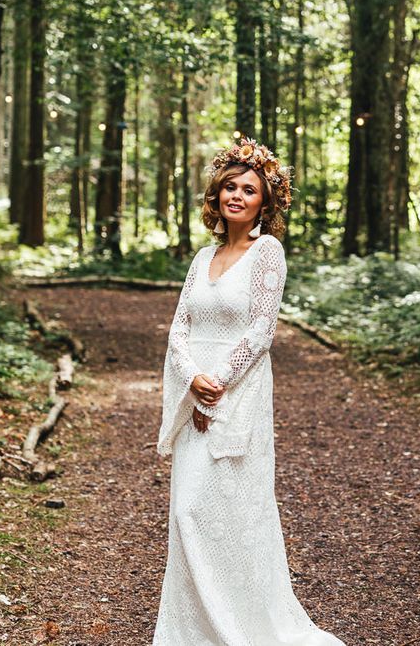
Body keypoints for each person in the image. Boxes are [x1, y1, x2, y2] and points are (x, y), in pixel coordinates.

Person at [154, 137, 345, 645]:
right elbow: (178, 328)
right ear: (216, 196)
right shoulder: (201, 257)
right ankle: (191, 633)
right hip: (196, 385)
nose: (237, 196)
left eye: (249, 190)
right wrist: (192, 380)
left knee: (227, 511)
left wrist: (217, 385)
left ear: (266, 202)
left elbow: (262, 329)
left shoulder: (268, 252)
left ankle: (245, 627)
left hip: (238, 393)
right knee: (186, 511)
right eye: (230, 187)